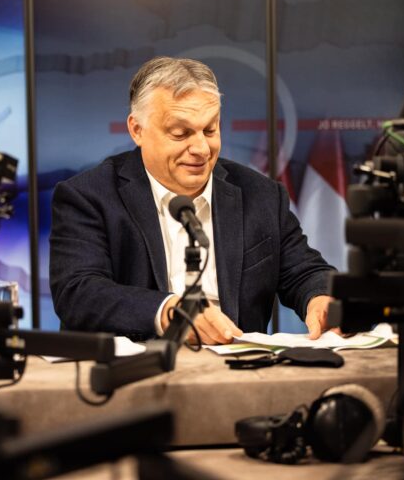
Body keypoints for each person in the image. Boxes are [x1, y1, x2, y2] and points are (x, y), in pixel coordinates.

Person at [50, 56, 336, 344]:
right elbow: (78, 292)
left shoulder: (260, 195)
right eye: (180, 133)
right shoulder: (89, 196)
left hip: (237, 365)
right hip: (134, 367)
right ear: (137, 130)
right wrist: (168, 312)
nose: (201, 149)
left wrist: (320, 298)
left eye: (210, 130)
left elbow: (305, 272)